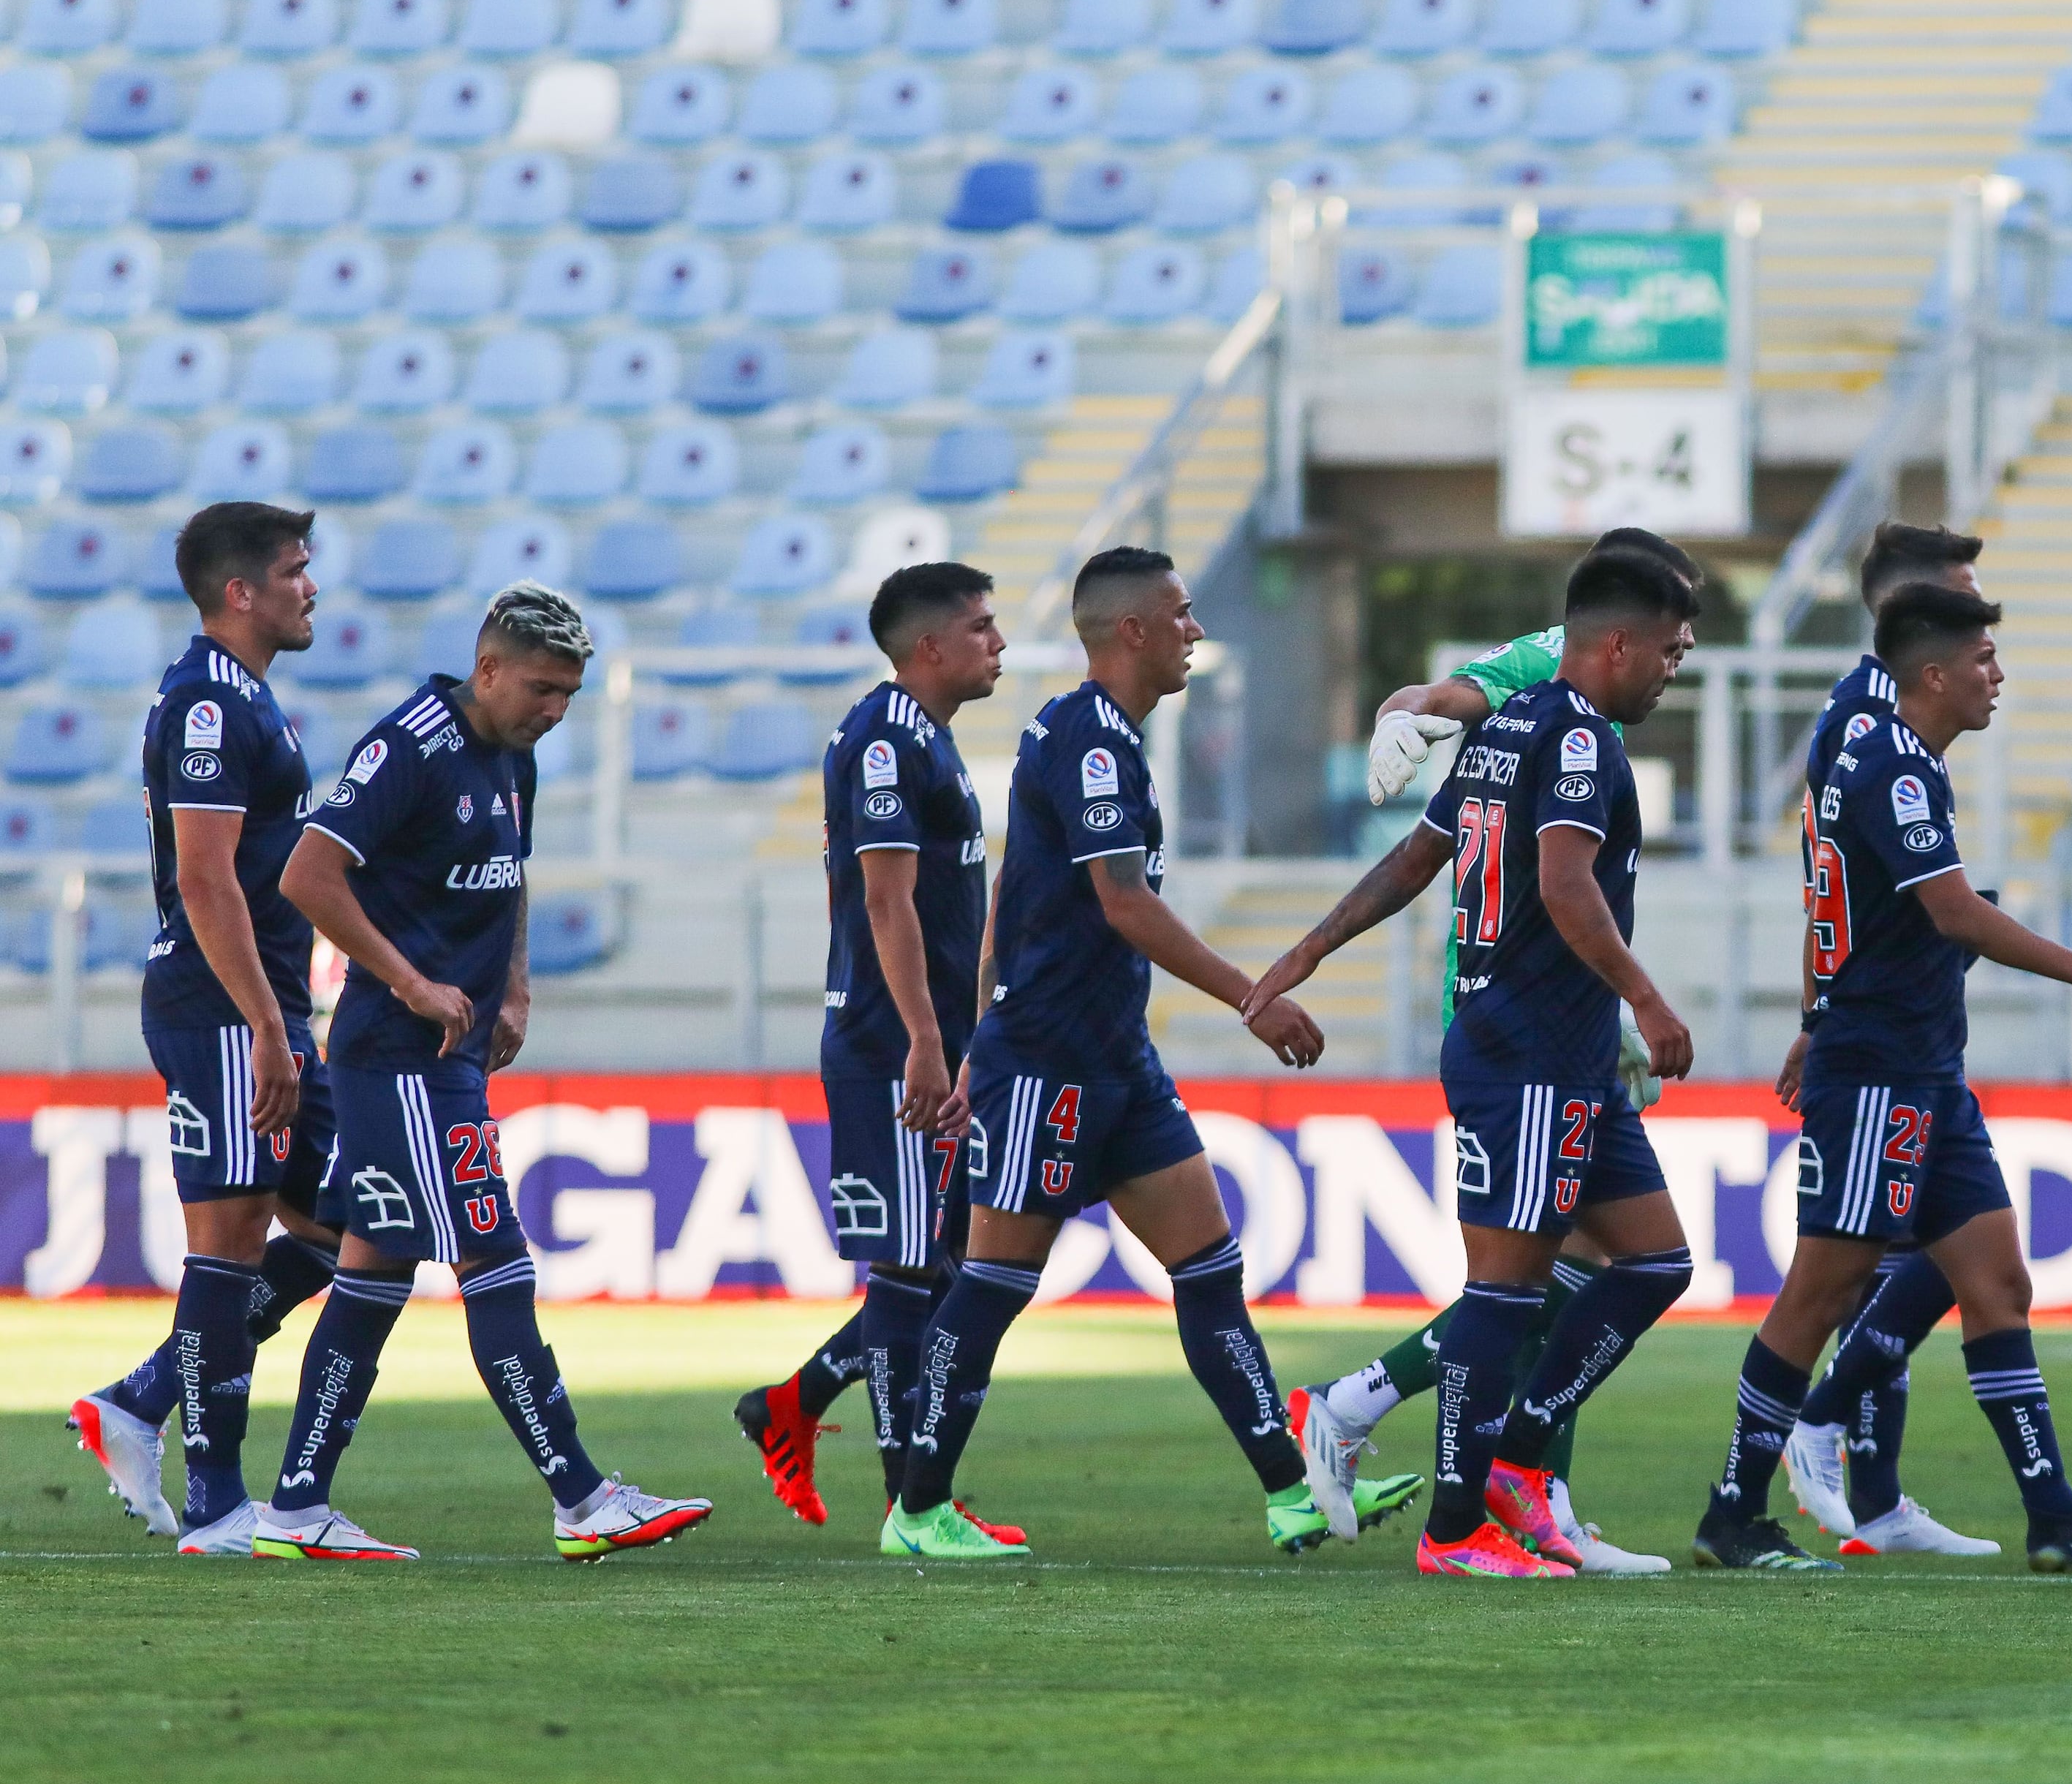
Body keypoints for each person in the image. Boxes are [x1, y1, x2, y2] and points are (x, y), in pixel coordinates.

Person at [880, 548, 1415, 1560]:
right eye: (1179, 615)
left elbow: (1013, 893)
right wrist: (1254, 997)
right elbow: (1122, 903)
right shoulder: (1089, 742)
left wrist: (974, 1021)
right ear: (1130, 631)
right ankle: (917, 1509)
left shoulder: (1101, 737)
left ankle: (1292, 1493)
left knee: (1209, 1267)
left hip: (1113, 1058)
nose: (1196, 631)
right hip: (1048, 1061)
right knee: (994, 1284)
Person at [1697, 583, 2072, 1573]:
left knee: (1997, 1280)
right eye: (1982, 660)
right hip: (1878, 1067)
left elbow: (1841, 904)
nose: (1996, 676)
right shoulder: (1892, 766)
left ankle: (2053, 1516)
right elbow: (1954, 912)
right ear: (1932, 672)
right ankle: (1733, 1510)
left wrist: (1813, 1011)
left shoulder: (1887, 750)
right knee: (1822, 1291)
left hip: (1923, 1065)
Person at [1241, 543, 1705, 1579]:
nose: (1675, 670)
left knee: (1655, 1260)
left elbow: (1417, 856)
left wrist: (1310, 948)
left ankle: (1519, 1460)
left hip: (1561, 1050)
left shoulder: (1505, 731)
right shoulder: (1579, 738)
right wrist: (1647, 996)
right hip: (1531, 1049)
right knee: (1504, 1290)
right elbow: (1567, 885)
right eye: (1670, 652)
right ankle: (1457, 1530)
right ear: (1617, 644)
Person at [253, 584, 714, 1562]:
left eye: (571, 695)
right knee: (494, 1259)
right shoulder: (410, 746)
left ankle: (296, 1504)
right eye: (543, 688)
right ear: (489, 666)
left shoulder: (515, 759)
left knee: (373, 1269)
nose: (555, 710)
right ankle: (583, 1497)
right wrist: (411, 980)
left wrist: (514, 987)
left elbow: (511, 872)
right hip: (401, 1056)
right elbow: (306, 874)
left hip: (449, 1051)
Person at [67, 503, 347, 1555]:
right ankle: (219, 1501)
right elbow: (201, 877)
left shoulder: (245, 699)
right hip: (226, 1008)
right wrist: (268, 1023)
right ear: (242, 591)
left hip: (264, 1005)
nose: (310, 587)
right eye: (296, 570)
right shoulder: (206, 703)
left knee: (347, 1228)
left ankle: (139, 1398)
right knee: (226, 1246)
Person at [733, 562, 1023, 1541]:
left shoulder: (921, 738)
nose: (1000, 644)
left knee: (939, 1271)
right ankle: (915, 1505)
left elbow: (853, 896)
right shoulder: (886, 739)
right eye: (983, 628)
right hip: (896, 1045)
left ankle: (796, 1403)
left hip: (921, 1034)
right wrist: (925, 1042)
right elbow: (884, 899)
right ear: (931, 646)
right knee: (910, 1274)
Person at [1769, 521, 2008, 1558]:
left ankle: (1875, 1499)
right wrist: (1824, 1018)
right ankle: (1819, 1435)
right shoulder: (1871, 726)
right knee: (1893, 1260)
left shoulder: (1864, 716)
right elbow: (1842, 882)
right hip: (1883, 1034)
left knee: (1933, 1254)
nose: (1976, 611)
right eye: (1961, 596)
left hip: (1892, 1018)